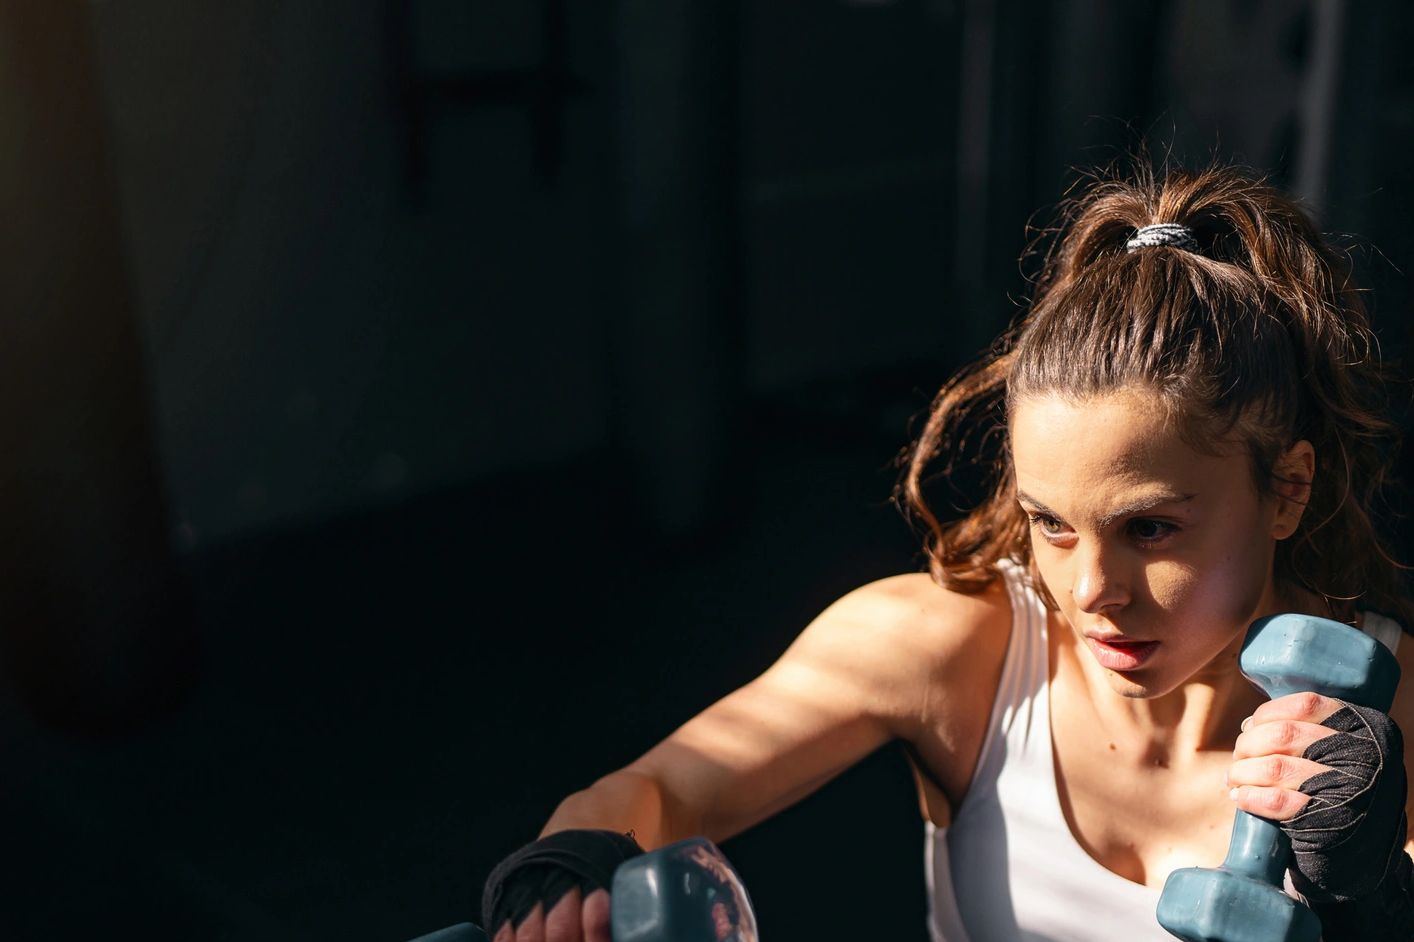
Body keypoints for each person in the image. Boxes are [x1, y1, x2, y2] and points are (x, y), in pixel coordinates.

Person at [480, 165, 1414, 941]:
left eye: (1150, 529)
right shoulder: (956, 651)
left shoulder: (1391, 709)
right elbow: (654, 792)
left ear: (1285, 489)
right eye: (1053, 523)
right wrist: (566, 878)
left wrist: (1376, 900)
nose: (1092, 591)